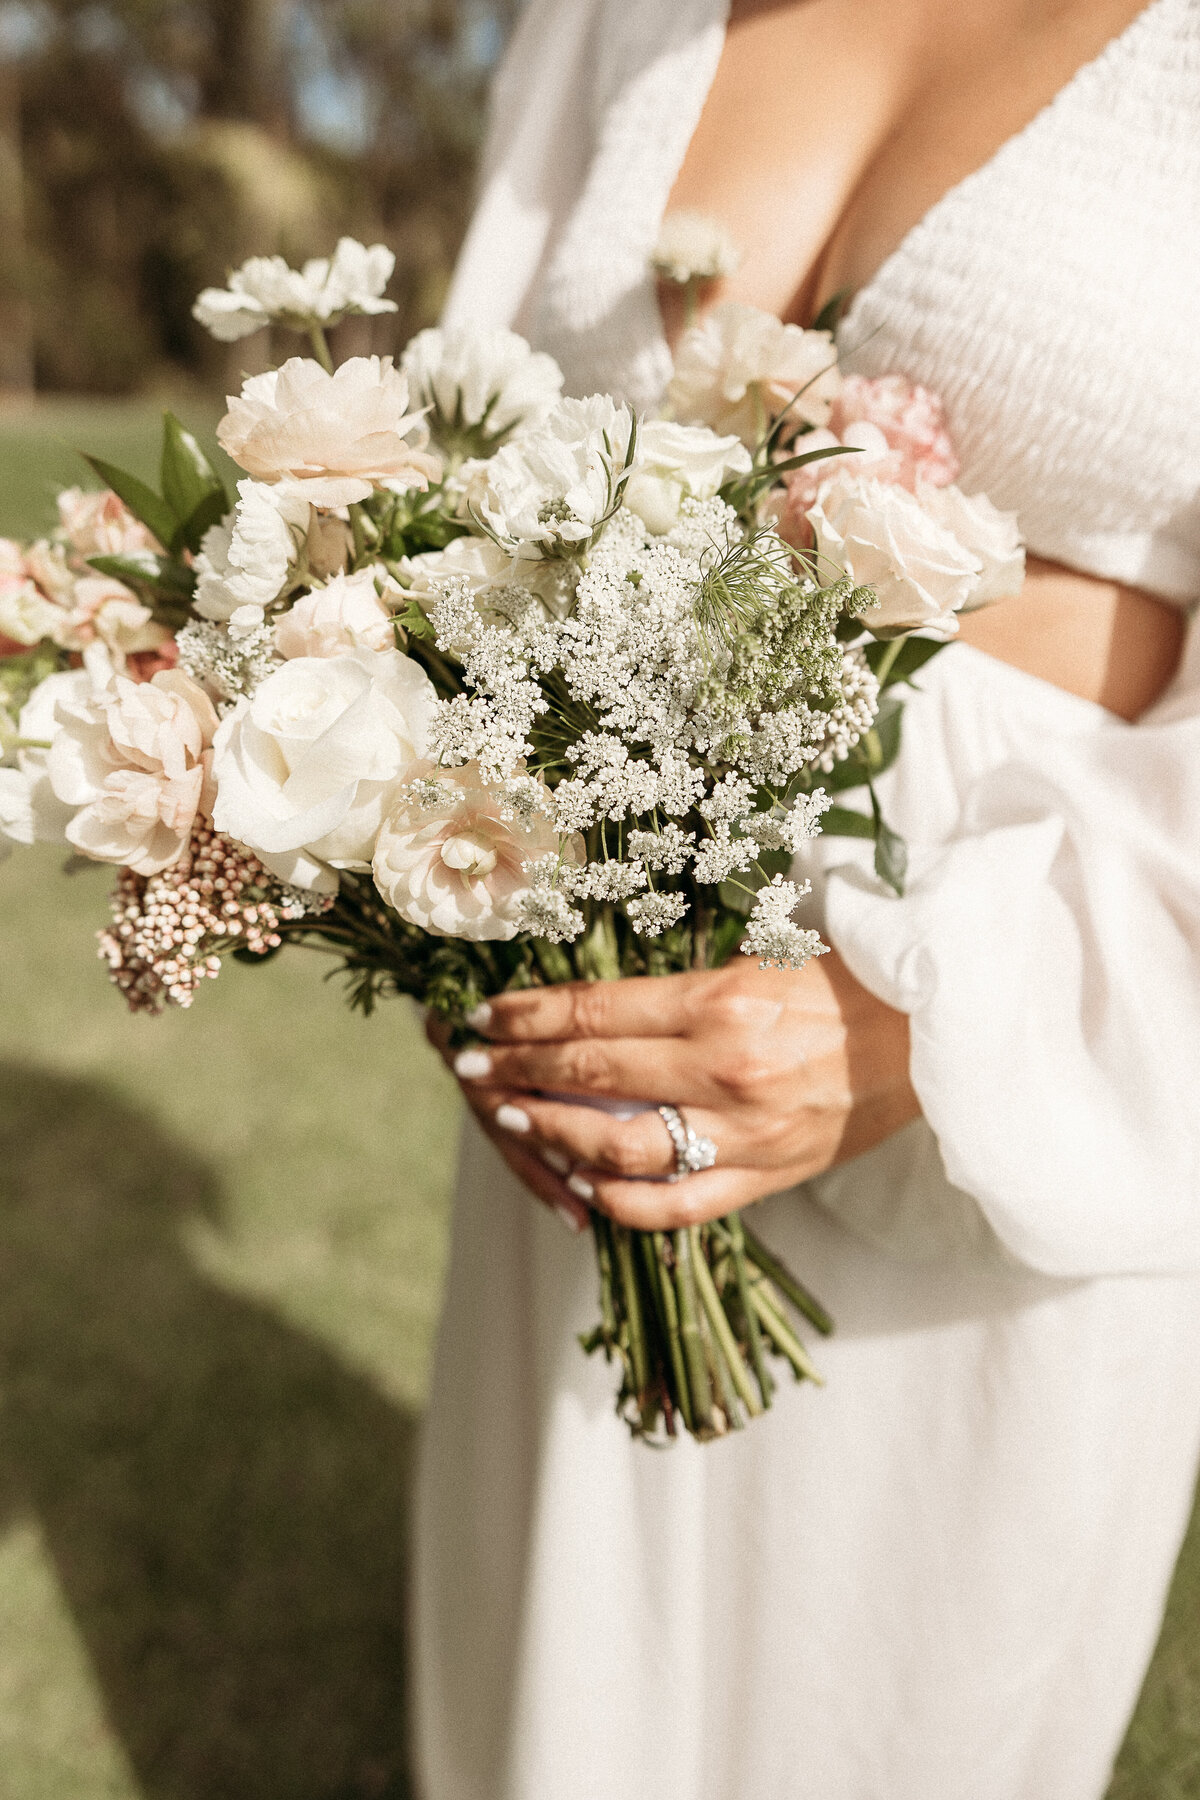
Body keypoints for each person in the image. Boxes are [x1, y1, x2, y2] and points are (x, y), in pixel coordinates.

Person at [413, 2, 1200, 1795]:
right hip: (582, 983)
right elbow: (452, 464)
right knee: (556, 1677)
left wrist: (942, 1020)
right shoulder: (612, 22)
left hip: (1043, 1052)